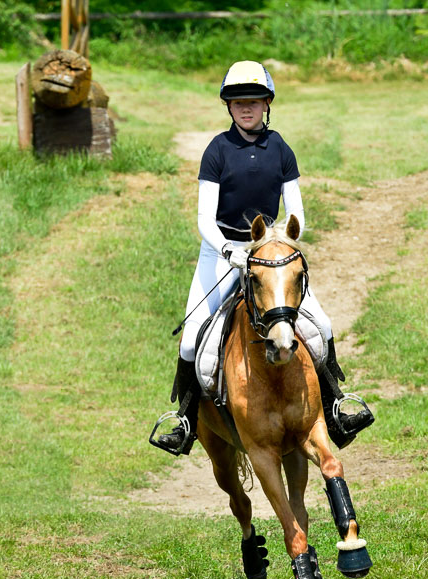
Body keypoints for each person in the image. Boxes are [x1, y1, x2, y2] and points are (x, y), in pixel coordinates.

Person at [155, 60, 373, 456]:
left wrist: (280, 243)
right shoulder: (216, 151)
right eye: (238, 102)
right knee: (190, 342)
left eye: (254, 101)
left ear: (267, 103)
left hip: (269, 253)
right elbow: (205, 217)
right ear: (228, 107)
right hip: (222, 250)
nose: (246, 108)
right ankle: (184, 422)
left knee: (320, 325)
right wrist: (228, 250)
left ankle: (336, 404)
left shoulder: (281, 149)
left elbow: (297, 214)